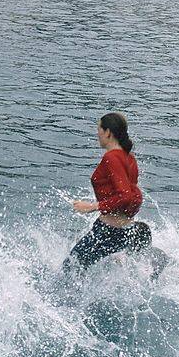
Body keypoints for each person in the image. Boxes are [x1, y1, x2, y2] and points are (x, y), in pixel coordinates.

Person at [63, 113, 152, 273]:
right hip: (126, 230)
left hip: (108, 231)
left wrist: (91, 206)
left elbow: (125, 195)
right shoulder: (129, 157)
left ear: (108, 132)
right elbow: (134, 196)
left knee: (69, 269)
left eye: (99, 129)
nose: (97, 133)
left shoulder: (111, 158)